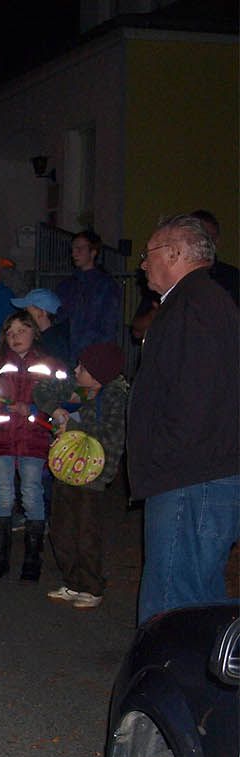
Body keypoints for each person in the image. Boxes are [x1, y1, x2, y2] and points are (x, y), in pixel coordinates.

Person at [128, 214, 240, 625]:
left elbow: (196, 396)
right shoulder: (198, 301)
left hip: (190, 478)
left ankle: (174, 667)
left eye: (149, 254)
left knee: (174, 606)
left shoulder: (194, 306)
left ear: (175, 253)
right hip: (198, 474)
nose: (143, 264)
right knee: (196, 599)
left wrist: (164, 459)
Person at [33, 343, 129, 609]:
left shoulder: (114, 397)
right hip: (67, 468)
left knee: (86, 531)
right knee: (61, 528)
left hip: (93, 475)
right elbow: (41, 390)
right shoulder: (81, 388)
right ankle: (73, 581)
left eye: (83, 368)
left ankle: (91, 585)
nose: (76, 370)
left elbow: (110, 436)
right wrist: (56, 410)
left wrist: (73, 425)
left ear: (99, 375)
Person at [0, 311, 65, 582]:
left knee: (31, 494)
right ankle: (1, 560)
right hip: (2, 438)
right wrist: (1, 406)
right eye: (10, 332)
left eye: (21, 331)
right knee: (3, 495)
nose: (15, 337)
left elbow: (59, 398)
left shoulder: (48, 365)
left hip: (33, 438)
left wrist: (34, 410)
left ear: (34, 333)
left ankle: (32, 560)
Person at [55, 230, 122, 364]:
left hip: (93, 352)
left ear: (93, 252)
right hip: (67, 352)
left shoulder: (105, 285)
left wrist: (99, 354)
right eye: (73, 249)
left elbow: (108, 324)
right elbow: (59, 317)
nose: (74, 253)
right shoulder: (67, 285)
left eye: (79, 249)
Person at [10, 288, 71, 370]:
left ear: (42, 312)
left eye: (27, 310)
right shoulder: (44, 338)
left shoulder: (57, 342)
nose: (24, 315)